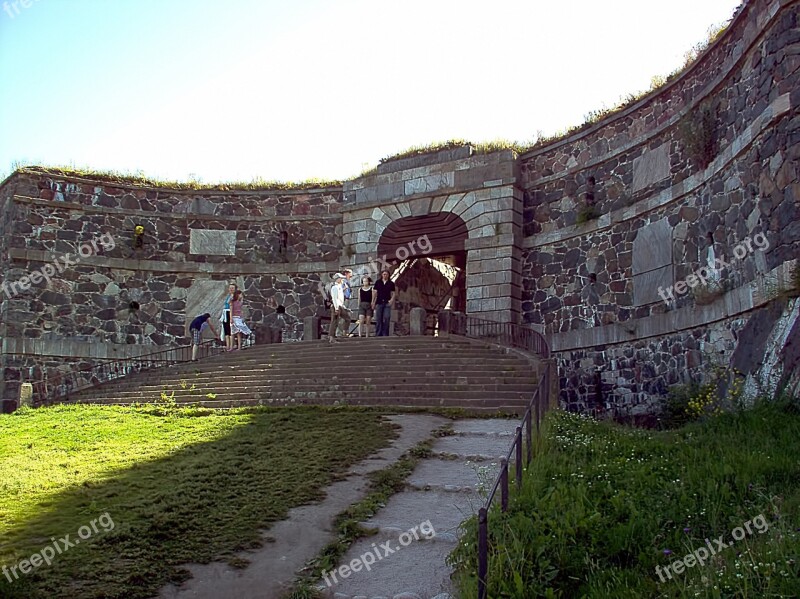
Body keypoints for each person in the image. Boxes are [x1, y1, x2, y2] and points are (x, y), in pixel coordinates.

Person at [372, 269, 396, 337]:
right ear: (382, 275)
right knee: (378, 318)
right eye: (384, 274)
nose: (385, 275)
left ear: (388, 275)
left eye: (386, 274)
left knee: (387, 317)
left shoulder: (391, 283)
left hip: (387, 302)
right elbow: (374, 292)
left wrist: (391, 300)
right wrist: (373, 302)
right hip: (379, 302)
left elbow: (393, 293)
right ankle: (378, 333)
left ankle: (385, 333)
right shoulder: (378, 282)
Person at [329, 273, 346, 343]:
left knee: (346, 318)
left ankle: (343, 333)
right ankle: (331, 337)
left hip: (339, 305)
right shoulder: (334, 287)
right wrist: (336, 308)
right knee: (334, 321)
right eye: (341, 278)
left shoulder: (339, 287)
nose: (342, 280)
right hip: (336, 306)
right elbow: (334, 298)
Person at [220, 282, 237, 352]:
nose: (231, 289)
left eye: (232, 288)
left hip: (230, 313)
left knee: (230, 331)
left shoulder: (235, 297)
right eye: (230, 288)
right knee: (226, 330)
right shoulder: (228, 296)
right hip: (225, 313)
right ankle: (227, 346)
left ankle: (231, 346)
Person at [340, 268, 354, 337]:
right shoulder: (343, 281)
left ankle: (345, 332)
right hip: (344, 299)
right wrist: (344, 289)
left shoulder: (348, 281)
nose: (351, 275)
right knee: (344, 317)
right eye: (350, 273)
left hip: (347, 299)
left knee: (347, 317)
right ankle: (342, 332)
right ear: (346, 273)